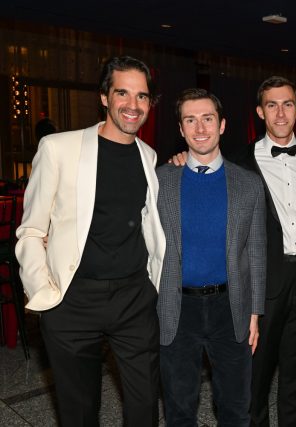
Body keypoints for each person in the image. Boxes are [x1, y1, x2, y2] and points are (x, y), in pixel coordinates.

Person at [15, 56, 166, 426]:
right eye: (122, 93)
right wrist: (44, 292)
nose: (133, 105)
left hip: (134, 298)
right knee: (79, 412)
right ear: (104, 97)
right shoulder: (58, 148)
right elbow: (32, 230)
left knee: (145, 406)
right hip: (73, 299)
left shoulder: (149, 156)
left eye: (142, 96)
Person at [156, 88, 266, 426]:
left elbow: (256, 250)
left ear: (222, 125)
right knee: (179, 408)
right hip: (177, 308)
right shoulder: (160, 180)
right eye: (190, 120)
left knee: (235, 407)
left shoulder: (249, 183)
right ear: (181, 129)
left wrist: (255, 313)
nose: (200, 128)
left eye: (207, 118)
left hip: (230, 307)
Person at [244, 76, 296, 426]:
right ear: (260, 112)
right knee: (257, 371)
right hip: (265, 279)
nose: (281, 113)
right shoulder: (239, 162)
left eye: (288, 104)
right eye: (272, 105)